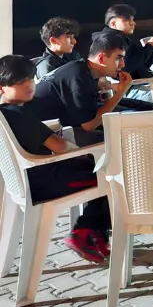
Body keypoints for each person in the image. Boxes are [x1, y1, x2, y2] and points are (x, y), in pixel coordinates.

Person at [0, 55, 111, 263]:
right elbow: (60, 147)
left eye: (30, 78)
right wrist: (84, 152)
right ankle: (85, 233)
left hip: (29, 180)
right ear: (2, 88)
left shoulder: (6, 114)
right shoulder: (18, 114)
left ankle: (91, 232)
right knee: (114, 177)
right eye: (19, 81)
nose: (28, 84)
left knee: (100, 170)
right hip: (48, 182)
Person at [33, 29, 153, 146]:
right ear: (101, 58)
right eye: (118, 58)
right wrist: (120, 92)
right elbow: (89, 125)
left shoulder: (84, 70)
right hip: (47, 135)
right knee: (128, 134)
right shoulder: (78, 76)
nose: (123, 64)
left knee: (146, 109)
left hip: (63, 125)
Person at [93, 4, 153, 80]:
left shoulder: (121, 38)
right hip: (127, 84)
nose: (133, 23)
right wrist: (149, 47)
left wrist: (152, 48)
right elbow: (125, 67)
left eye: (132, 20)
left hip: (140, 82)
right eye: (127, 20)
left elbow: (141, 65)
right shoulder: (110, 40)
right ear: (113, 24)